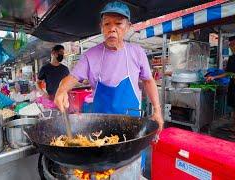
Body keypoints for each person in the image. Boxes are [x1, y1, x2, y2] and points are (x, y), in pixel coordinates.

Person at [54, 1, 164, 172]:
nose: (112, 28)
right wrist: (61, 90)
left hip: (133, 130)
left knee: (130, 169)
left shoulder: (137, 52)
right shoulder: (90, 56)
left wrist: (157, 110)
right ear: (101, 27)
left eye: (118, 24)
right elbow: (72, 78)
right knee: (103, 170)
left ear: (128, 26)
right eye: (107, 24)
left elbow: (149, 81)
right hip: (100, 131)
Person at [206, 36, 235, 139]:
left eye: (232, 45)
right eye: (230, 45)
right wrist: (214, 77)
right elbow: (228, 73)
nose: (231, 47)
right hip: (232, 85)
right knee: (233, 106)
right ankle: (233, 127)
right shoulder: (232, 58)